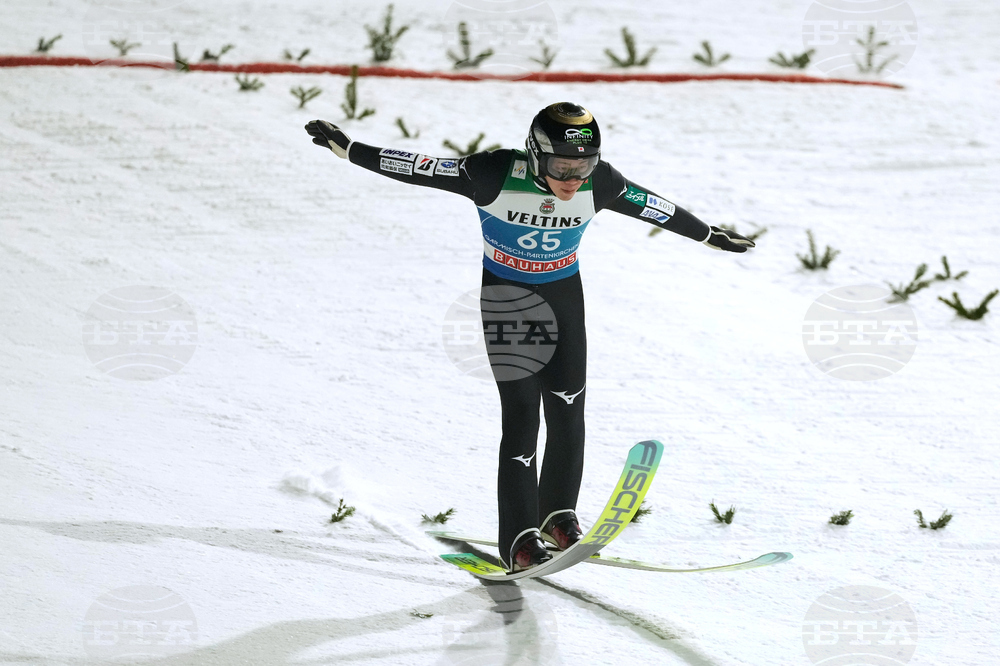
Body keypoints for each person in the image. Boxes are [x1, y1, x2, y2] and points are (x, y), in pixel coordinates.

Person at [305, 102, 754, 572]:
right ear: (536, 154)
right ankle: (518, 539)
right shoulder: (493, 173)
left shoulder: (599, 183)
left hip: (564, 295)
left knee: (568, 405)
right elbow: (420, 168)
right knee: (521, 416)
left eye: (584, 165)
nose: (574, 177)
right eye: (562, 165)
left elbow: (653, 206)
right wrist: (351, 149)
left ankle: (557, 514)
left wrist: (709, 236)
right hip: (509, 300)